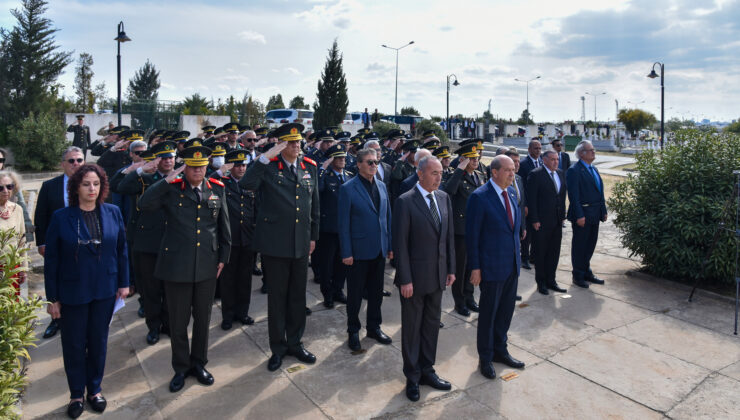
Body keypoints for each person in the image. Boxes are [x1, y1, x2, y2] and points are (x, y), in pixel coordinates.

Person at [138, 146, 230, 393]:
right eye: (193, 166)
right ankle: (180, 367)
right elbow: (144, 204)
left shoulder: (216, 189)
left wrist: (223, 257)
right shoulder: (171, 189)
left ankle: (199, 363)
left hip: (207, 265)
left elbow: (223, 226)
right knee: (178, 323)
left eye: (202, 166)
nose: (198, 170)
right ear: (185, 167)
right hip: (176, 266)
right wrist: (166, 179)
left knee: (203, 319)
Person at [43, 164, 129, 418]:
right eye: (86, 184)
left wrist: (124, 282)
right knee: (74, 344)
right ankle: (76, 395)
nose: (92, 189)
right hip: (72, 293)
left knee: (99, 342)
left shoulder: (113, 212)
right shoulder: (61, 217)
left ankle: (95, 390)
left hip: (105, 290)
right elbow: (52, 262)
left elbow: (122, 250)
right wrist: (52, 299)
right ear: (76, 187)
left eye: (96, 184)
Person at [240, 123, 319, 372]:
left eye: (298, 142)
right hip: (275, 245)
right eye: (290, 143)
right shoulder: (268, 167)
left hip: (300, 242)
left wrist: (313, 236)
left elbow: (314, 205)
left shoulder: (310, 168)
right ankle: (278, 347)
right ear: (281, 145)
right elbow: (246, 184)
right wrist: (265, 157)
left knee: (297, 297)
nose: (296, 146)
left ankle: (295, 343)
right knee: (277, 299)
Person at [392, 156, 455, 402]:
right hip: (414, 280)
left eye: (441, 172)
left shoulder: (443, 198)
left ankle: (428, 370)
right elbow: (401, 245)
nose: (439, 177)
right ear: (420, 174)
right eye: (433, 173)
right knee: (412, 329)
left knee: (431, 326)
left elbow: (447, 238)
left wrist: (451, 268)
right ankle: (413, 376)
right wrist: (405, 279)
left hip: (438, 276)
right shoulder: (405, 202)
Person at [466, 155, 526, 380]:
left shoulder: (511, 192)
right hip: (491, 267)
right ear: (494, 172)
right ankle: (486, 357)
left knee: (505, 312)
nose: (513, 174)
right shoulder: (479, 197)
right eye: (508, 170)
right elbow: (472, 237)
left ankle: (501, 350)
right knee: (489, 315)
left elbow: (513, 228)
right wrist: (475, 267)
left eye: (514, 169)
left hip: (511, 264)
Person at [116, 141, 177, 344]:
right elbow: (119, 186)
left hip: (172, 241)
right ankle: (153, 327)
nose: (168, 161)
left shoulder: (179, 178)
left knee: (170, 288)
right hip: (147, 241)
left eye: (171, 157)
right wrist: (139, 169)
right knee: (150, 290)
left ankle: (168, 324)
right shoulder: (144, 178)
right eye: (163, 157)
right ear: (155, 160)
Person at [338, 148, 393, 351]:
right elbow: (343, 224)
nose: (373, 165)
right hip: (358, 252)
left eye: (376, 162)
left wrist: (390, 246)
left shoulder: (381, 185)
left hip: (378, 249)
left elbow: (387, 217)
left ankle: (374, 327)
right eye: (369, 162)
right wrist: (346, 252)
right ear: (359, 164)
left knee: (376, 293)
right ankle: (353, 330)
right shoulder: (348, 188)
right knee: (354, 295)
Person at [35, 146, 85, 339]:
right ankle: (56, 319)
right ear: (63, 164)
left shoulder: (92, 184)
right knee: (56, 279)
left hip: (85, 245)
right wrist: (41, 243)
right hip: (58, 244)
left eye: (79, 160)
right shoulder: (50, 186)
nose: (76, 164)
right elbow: (41, 216)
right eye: (71, 161)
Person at [443, 142, 484, 317]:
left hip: (477, 229)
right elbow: (448, 191)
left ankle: (469, 297)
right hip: (461, 230)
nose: (475, 160)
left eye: (476, 158)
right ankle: (459, 301)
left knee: (472, 266)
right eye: (471, 158)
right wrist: (459, 169)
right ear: (462, 160)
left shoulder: (480, 176)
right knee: (461, 267)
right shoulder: (456, 176)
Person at [218, 149, 257, 329]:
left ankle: (243, 312)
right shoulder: (222, 183)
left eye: (244, 165)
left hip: (248, 238)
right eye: (238, 165)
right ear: (230, 167)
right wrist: (220, 171)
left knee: (244, 279)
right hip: (230, 239)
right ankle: (228, 315)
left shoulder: (251, 183)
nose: (242, 169)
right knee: (228, 280)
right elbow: (209, 180)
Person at [566, 140, 607, 288]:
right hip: (583, 214)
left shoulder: (593, 169)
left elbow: (599, 191)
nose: (593, 152)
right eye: (591, 150)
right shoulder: (574, 170)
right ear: (582, 153)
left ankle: (586, 271)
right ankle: (578, 274)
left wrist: (603, 210)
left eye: (593, 150)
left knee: (590, 244)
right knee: (580, 245)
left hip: (595, 213)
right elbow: (574, 196)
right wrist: (579, 215)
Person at [527, 150, 567, 295]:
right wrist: (535, 219)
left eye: (557, 159)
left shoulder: (561, 173)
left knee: (554, 252)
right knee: (541, 253)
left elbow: (562, 196)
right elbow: (532, 199)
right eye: (552, 159)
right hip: (542, 222)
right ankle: (541, 282)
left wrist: (563, 215)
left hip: (556, 221)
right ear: (544, 160)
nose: (556, 162)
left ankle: (552, 280)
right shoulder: (536, 174)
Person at [317, 144, 351, 308]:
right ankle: (327, 294)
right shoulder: (325, 176)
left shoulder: (350, 176)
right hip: (329, 227)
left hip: (346, 228)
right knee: (327, 264)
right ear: (331, 160)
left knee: (343, 262)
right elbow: (317, 189)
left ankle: (338, 290)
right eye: (338, 157)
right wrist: (322, 168)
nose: (343, 160)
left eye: (344, 157)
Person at [0, 170, 28, 296]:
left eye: (9, 186)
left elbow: (22, 241)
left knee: (11, 309)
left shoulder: (18, 209)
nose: (5, 190)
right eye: (0, 188)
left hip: (12, 268)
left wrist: (24, 268)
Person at [517, 139, 542, 269]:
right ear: (529, 149)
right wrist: (525, 205)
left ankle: (533, 256)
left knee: (538, 232)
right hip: (528, 204)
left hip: (540, 204)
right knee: (528, 234)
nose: (538, 151)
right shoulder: (523, 164)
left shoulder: (542, 162)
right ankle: (524, 258)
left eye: (539, 148)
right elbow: (522, 187)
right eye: (535, 148)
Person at [0, 149, 34, 242]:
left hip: (10, 233)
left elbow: (22, 207)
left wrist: (29, 235)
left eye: (1, 160)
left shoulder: (10, 180)